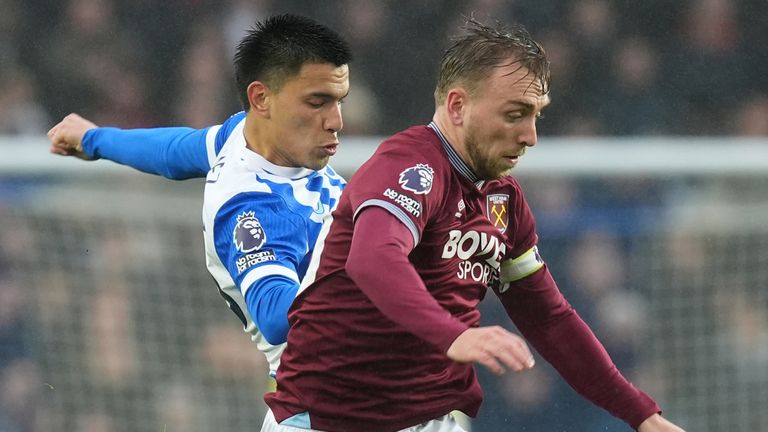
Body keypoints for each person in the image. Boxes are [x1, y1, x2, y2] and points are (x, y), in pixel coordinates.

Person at [262, 18, 685, 432]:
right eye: (515, 114)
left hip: (428, 419)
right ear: (458, 105)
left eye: (536, 114)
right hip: (327, 419)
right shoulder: (411, 165)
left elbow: (550, 319)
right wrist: (452, 336)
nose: (530, 135)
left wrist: (640, 414)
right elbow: (373, 259)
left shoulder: (504, 200)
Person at [47, 13, 352, 379]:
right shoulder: (249, 208)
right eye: (318, 102)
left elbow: (178, 150)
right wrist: (373, 253)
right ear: (261, 99)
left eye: (339, 101)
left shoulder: (243, 135)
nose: (336, 121)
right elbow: (274, 315)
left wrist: (95, 139)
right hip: (334, 407)